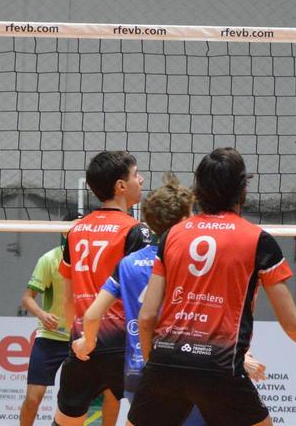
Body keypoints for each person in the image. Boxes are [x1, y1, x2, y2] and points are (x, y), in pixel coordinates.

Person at [125, 147, 296, 426]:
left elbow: (147, 316)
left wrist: (158, 368)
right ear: (242, 190)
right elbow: (292, 322)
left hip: (166, 360)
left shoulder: (172, 235)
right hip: (219, 366)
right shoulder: (258, 240)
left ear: (197, 190)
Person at [72, 173, 203, 425]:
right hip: (181, 372)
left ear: (151, 223)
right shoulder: (190, 264)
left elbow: (91, 315)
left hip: (136, 374)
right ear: (185, 220)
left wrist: (87, 342)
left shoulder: (128, 263)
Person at [55, 151, 153, 426]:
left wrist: (75, 337)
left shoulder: (76, 230)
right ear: (121, 186)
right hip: (124, 346)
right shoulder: (136, 231)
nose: (141, 179)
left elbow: (67, 294)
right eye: (136, 174)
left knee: (66, 423)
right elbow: (147, 297)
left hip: (82, 343)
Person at [20, 241, 119, 426]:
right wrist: (42, 314)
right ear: (66, 233)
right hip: (51, 337)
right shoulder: (49, 259)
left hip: (85, 338)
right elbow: (26, 298)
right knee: (33, 397)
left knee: (112, 394)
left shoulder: (97, 258)